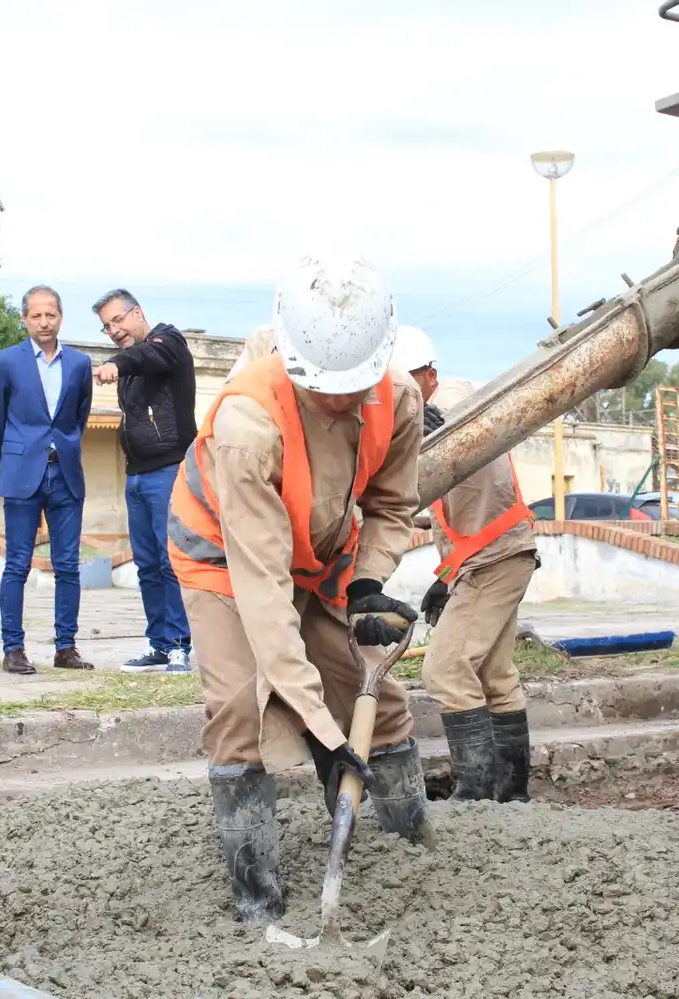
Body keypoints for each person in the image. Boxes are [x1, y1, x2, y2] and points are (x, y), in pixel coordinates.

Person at [168, 254, 433, 923]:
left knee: (378, 701)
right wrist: (321, 727)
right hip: (223, 557)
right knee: (241, 709)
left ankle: (412, 859)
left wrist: (368, 580)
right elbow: (263, 590)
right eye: (325, 389)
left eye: (356, 386)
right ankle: (258, 899)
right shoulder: (248, 425)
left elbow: (393, 503)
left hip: (322, 554)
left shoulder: (400, 398)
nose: (341, 401)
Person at [393, 325, 538, 803]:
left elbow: (465, 405)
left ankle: (474, 792)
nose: (403, 393)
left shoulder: (453, 398)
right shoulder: (422, 440)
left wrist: (435, 420)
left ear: (430, 376)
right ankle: (512, 795)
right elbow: (448, 518)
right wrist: (445, 578)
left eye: (410, 381)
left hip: (497, 558)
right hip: (491, 559)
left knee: (446, 669)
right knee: (494, 676)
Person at [0, 286, 96, 674]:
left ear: (60, 317)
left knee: (68, 566)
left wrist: (63, 446)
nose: (44, 322)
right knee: (17, 564)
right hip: (22, 472)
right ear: (24, 319)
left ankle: (66, 648)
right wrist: (17, 454)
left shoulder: (79, 363)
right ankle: (13, 649)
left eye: (50, 315)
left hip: (65, 472)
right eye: (36, 315)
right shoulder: (6, 361)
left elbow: (80, 415)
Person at [91, 289, 197, 674]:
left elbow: (145, 356)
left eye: (118, 320)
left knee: (170, 562)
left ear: (137, 312)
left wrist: (116, 363)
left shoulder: (169, 342)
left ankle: (180, 646)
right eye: (106, 327)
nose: (114, 330)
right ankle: (159, 644)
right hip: (135, 475)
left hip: (169, 470)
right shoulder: (133, 361)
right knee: (147, 565)